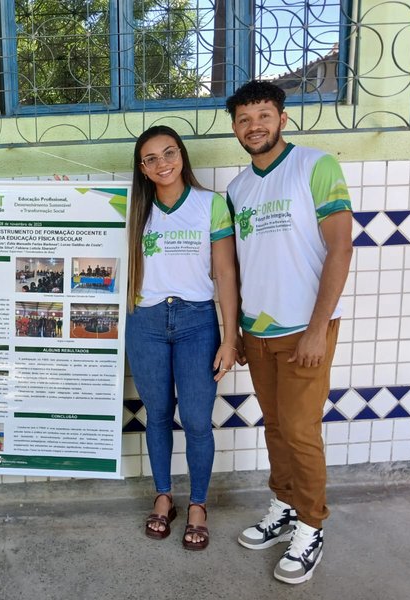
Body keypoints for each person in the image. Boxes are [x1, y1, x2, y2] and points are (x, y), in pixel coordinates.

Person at [226, 80, 353, 584]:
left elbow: (341, 248)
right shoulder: (238, 190)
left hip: (305, 329)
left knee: (301, 432)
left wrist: (318, 329)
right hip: (259, 331)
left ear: (282, 118)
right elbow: (237, 266)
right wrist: (235, 332)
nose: (253, 126)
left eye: (263, 115)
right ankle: (282, 506)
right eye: (243, 119)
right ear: (234, 127)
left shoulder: (315, 166)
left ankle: (312, 525)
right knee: (276, 427)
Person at [125, 125, 238, 551]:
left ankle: (198, 505)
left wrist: (230, 338)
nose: (162, 163)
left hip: (196, 322)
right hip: (147, 322)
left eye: (168, 153)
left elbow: (225, 274)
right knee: (156, 416)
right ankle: (163, 496)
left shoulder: (211, 205)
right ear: (142, 168)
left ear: (181, 154)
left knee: (194, 419)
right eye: (150, 159)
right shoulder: (137, 209)